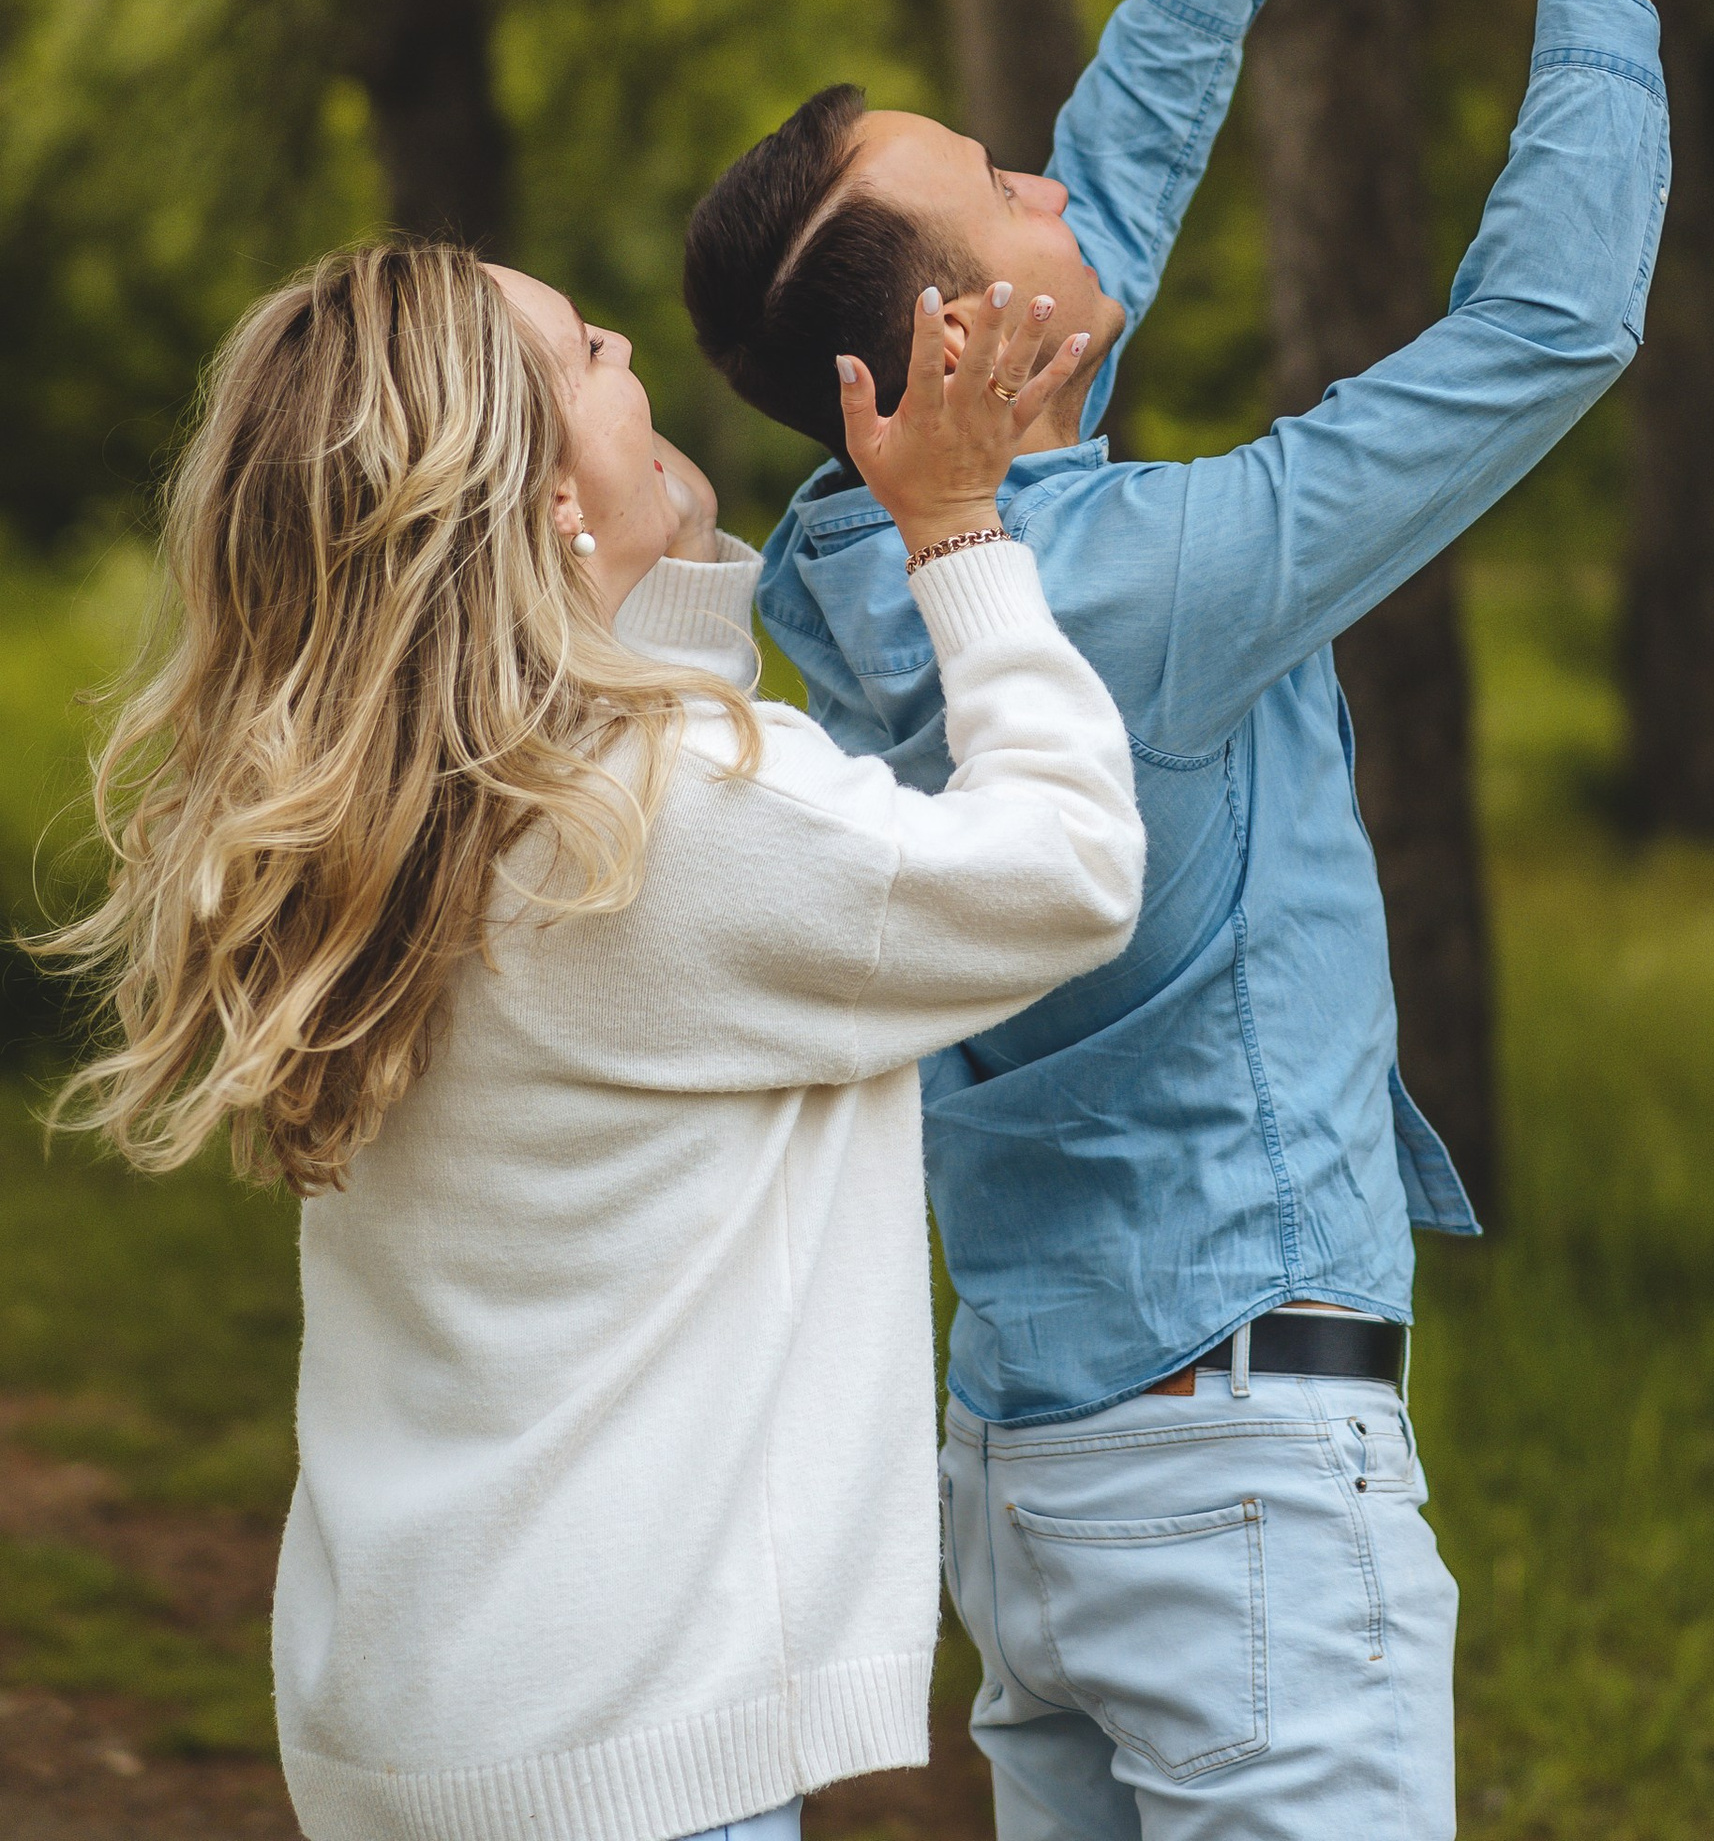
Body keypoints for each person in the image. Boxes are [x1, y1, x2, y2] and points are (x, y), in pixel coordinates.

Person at [680, 0, 1714, 1841]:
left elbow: (1110, 195)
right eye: (998, 182)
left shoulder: (865, 557)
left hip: (1032, 1471)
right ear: (958, 348)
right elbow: (1544, 325)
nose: (1057, 174)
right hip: (1232, 1483)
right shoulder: (1126, 593)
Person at [50, 232, 1145, 1841]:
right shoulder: (658, 821)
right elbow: (1066, 869)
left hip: (425, 1710)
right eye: (582, 357)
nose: (626, 347)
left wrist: (640, 560)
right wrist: (961, 531)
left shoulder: (432, 815)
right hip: (622, 1752)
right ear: (539, 498)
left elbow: (664, 748)